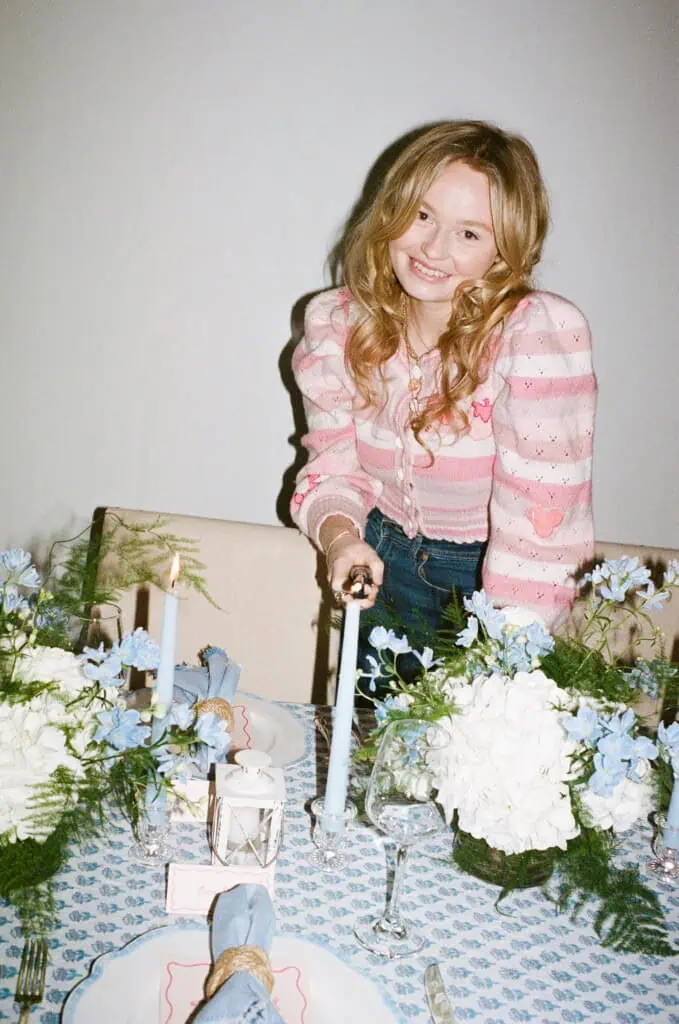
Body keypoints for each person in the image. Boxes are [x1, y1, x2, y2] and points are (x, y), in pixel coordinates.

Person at [290, 120, 596, 689]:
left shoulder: (532, 337)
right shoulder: (338, 327)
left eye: (470, 234)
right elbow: (332, 467)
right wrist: (342, 541)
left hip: (494, 586)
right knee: (360, 761)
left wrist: (509, 658)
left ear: (504, 252)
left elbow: (542, 523)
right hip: (382, 566)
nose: (432, 249)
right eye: (423, 215)